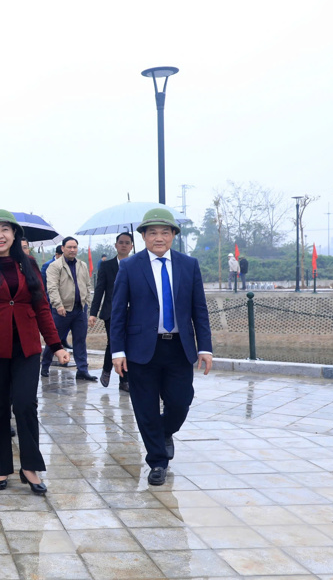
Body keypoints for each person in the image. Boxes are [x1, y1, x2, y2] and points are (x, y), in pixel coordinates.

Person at [0, 210, 69, 495]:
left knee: (24, 404)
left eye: (5, 229)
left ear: (14, 234)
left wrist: (56, 345)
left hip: (26, 346)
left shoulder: (29, 264)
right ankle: (0, 467)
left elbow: (42, 306)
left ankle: (30, 467)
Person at [110, 208, 213, 486]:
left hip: (179, 348)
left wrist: (205, 347)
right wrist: (117, 352)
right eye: (152, 232)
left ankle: (165, 431)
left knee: (180, 402)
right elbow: (118, 311)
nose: (159, 237)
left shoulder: (188, 265)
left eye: (165, 232)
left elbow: (199, 310)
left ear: (173, 236)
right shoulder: (130, 267)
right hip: (141, 350)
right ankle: (157, 461)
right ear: (142, 237)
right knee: (145, 408)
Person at [42, 237, 96, 381]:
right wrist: (58, 305)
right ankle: (45, 365)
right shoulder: (55, 266)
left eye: (75, 247)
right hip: (62, 310)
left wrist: (87, 303)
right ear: (63, 248)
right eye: (69, 247)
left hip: (80, 309)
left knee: (80, 340)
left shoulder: (82, 265)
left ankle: (82, 370)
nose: (72, 250)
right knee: (55, 339)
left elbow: (88, 285)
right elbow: (52, 288)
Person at [89, 232, 133, 392]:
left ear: (131, 246)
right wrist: (93, 313)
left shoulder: (136, 264)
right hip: (111, 311)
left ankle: (124, 381)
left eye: (127, 243)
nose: (123, 245)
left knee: (128, 345)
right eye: (121, 242)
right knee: (114, 342)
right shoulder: (107, 266)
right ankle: (107, 368)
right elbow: (99, 289)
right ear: (116, 245)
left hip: (132, 312)